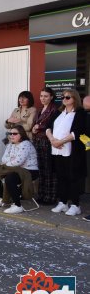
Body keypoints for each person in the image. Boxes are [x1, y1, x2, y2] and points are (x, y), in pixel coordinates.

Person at [47, 89, 86, 217]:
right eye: (63, 97)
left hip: (72, 151)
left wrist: (61, 141)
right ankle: (63, 202)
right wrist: (53, 140)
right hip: (57, 150)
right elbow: (48, 127)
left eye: (68, 97)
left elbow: (77, 132)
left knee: (73, 177)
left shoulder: (80, 113)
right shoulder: (59, 112)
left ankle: (75, 205)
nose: (64, 99)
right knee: (61, 176)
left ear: (75, 99)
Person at [0, 125, 39, 213]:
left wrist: (9, 161)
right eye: (10, 133)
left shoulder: (26, 144)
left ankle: (18, 205)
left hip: (29, 170)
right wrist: (10, 160)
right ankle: (3, 199)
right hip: (14, 168)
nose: (11, 136)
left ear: (21, 134)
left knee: (10, 178)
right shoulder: (10, 145)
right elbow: (3, 159)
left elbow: (18, 161)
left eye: (14, 134)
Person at [31, 87, 59, 205]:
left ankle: (50, 196)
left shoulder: (54, 109)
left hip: (47, 141)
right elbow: (35, 124)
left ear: (51, 97)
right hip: (38, 141)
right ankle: (41, 194)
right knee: (41, 169)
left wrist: (39, 127)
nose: (43, 98)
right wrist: (33, 127)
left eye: (46, 96)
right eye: (41, 96)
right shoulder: (40, 109)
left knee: (48, 169)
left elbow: (52, 125)